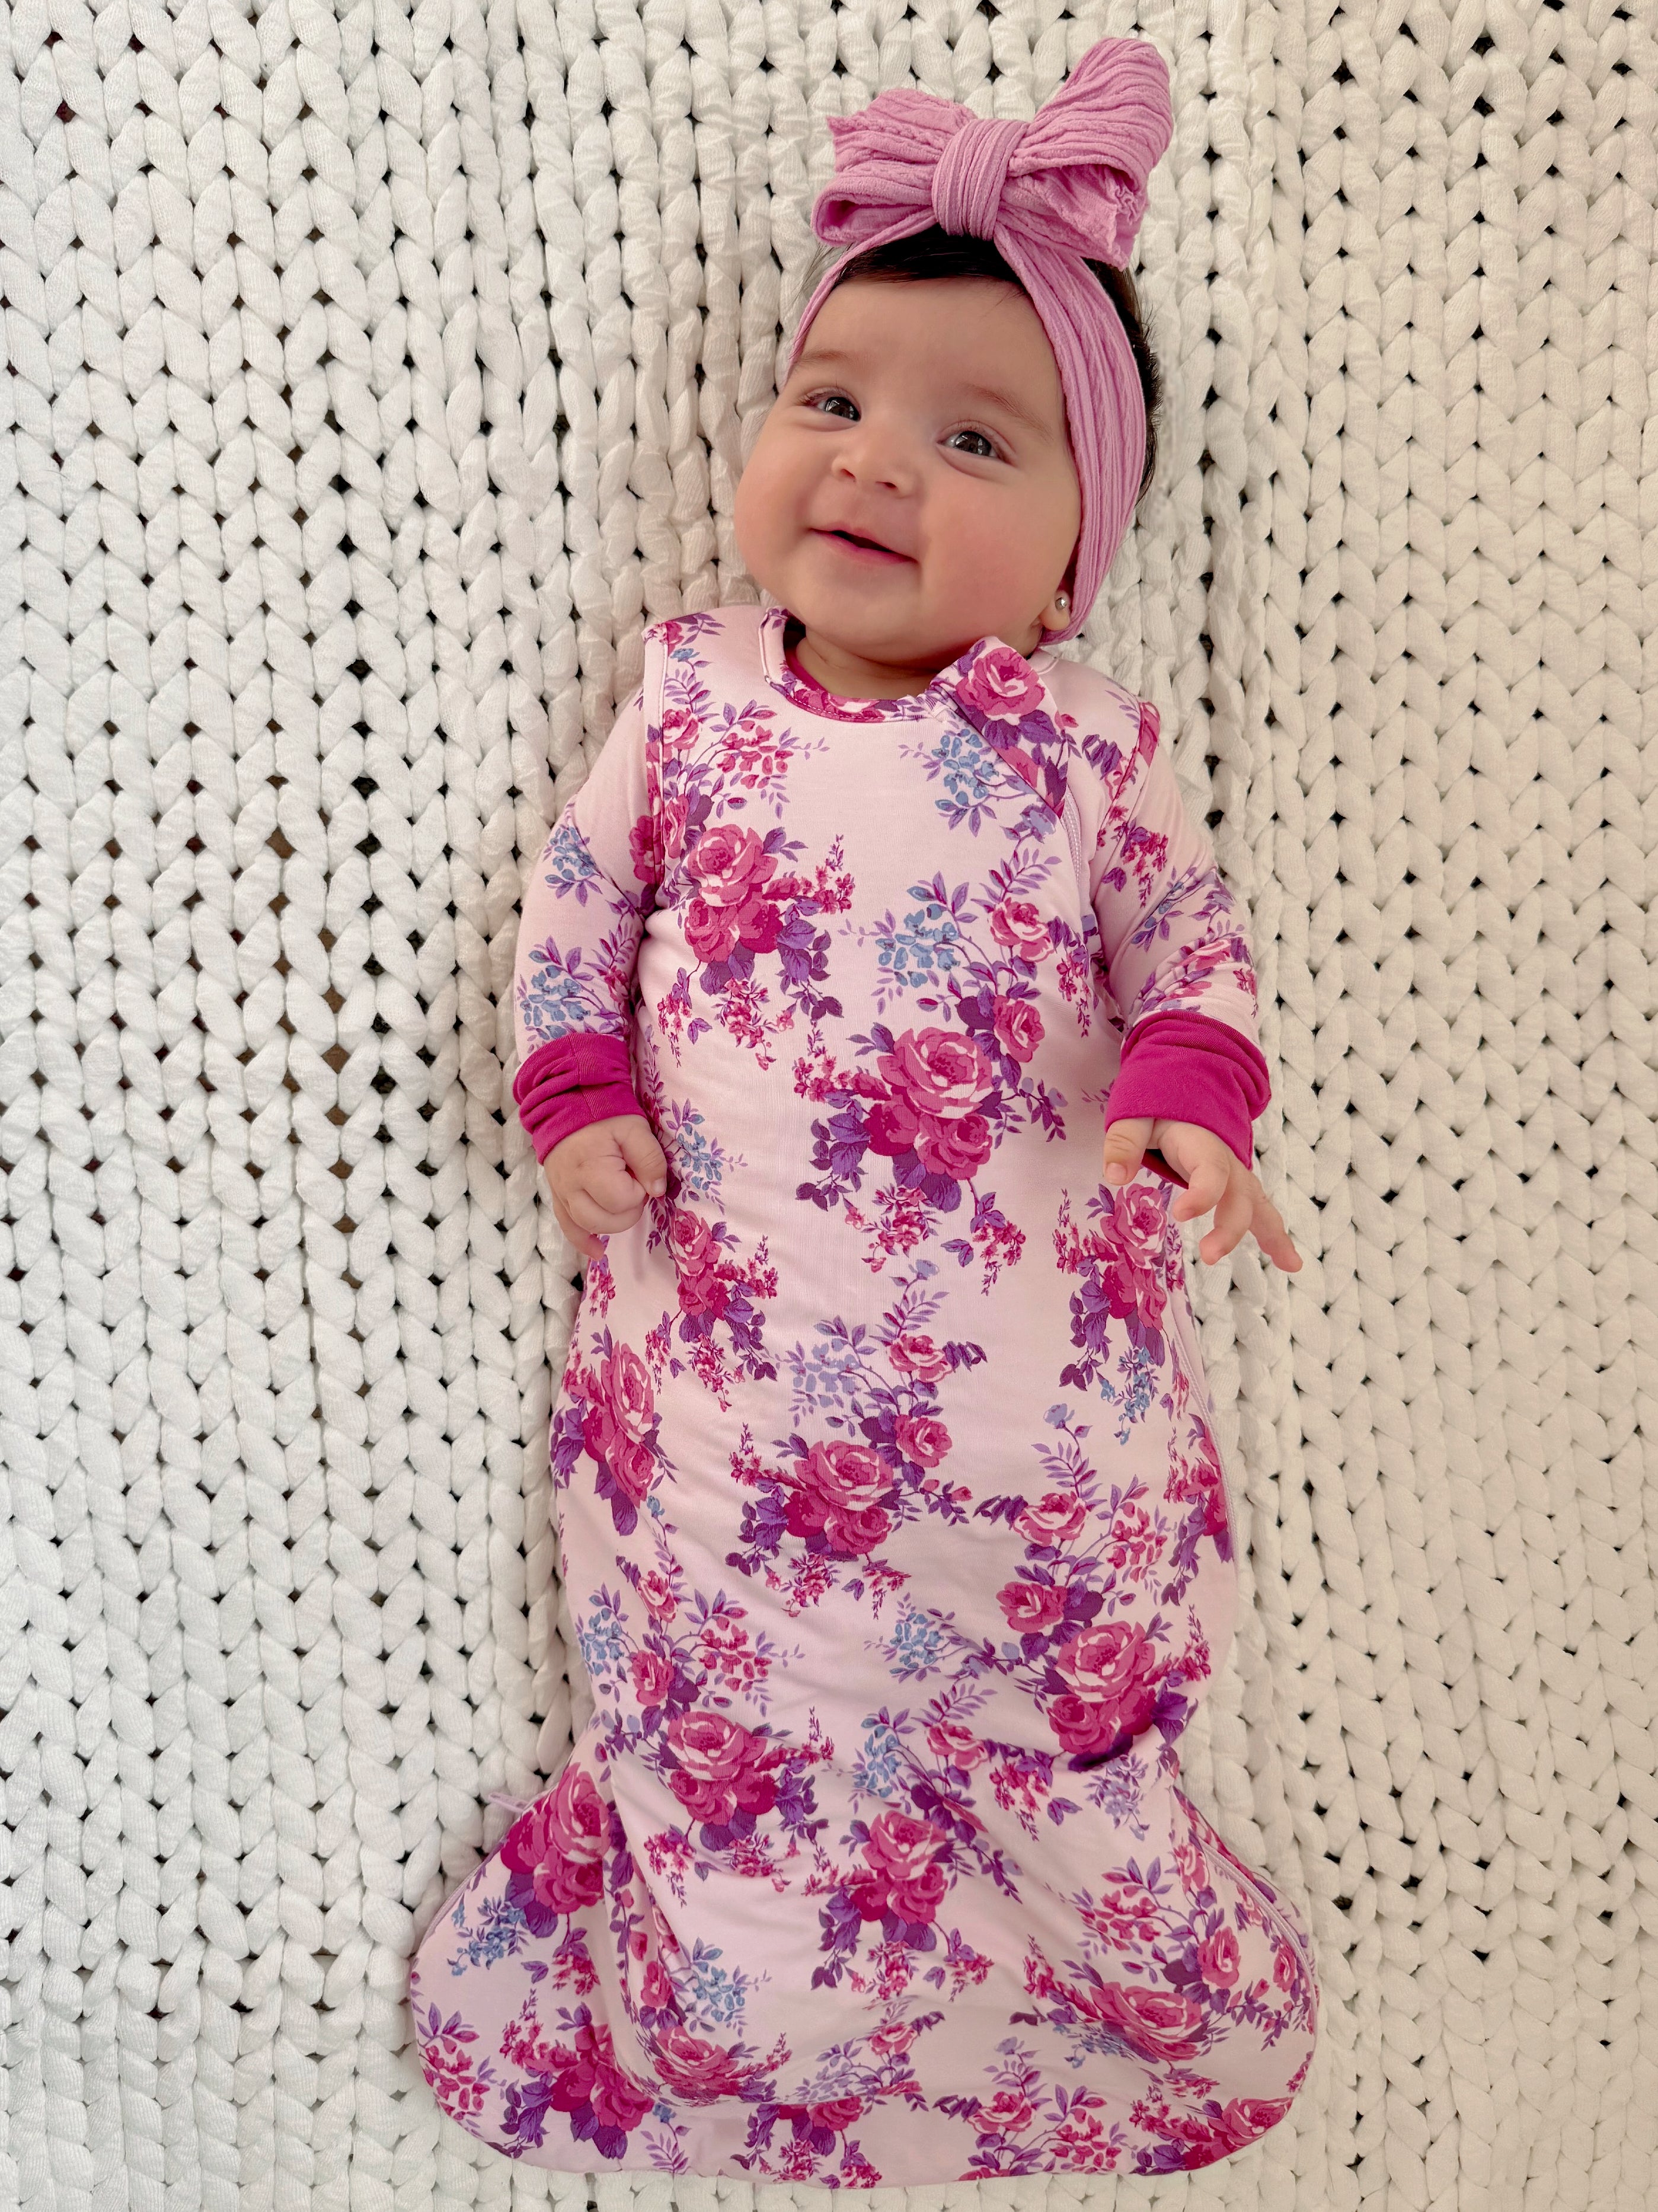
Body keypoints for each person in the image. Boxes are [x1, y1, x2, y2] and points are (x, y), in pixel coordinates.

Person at [409, 35, 1319, 2182]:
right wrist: (572, 1091)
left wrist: (1194, 1096)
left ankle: (1107, 1950)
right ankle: (735, 2003)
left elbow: (1193, 948)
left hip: (1031, 1447)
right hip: (734, 1427)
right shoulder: (694, 696)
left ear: (1080, 560)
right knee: (738, 1785)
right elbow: (571, 914)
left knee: (1063, 1751)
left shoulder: (1089, 747)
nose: (874, 463)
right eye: (832, 403)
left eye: (973, 437)